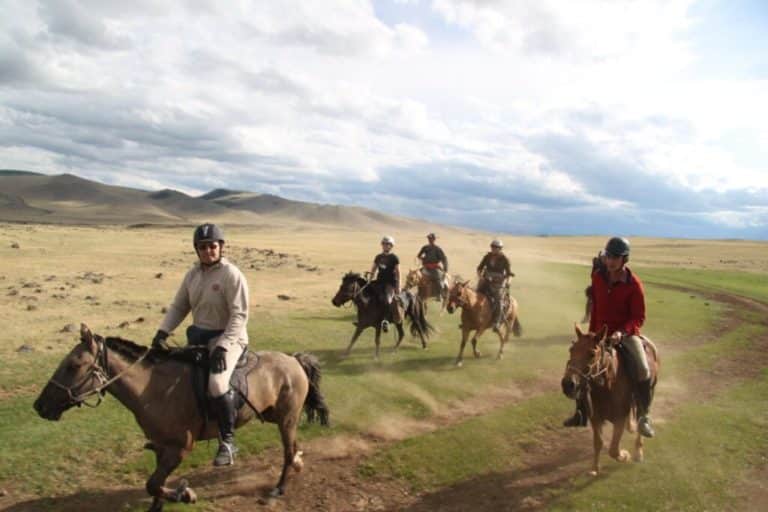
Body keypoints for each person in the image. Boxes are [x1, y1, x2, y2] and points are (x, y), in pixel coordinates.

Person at [152, 223, 250, 465]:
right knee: (176, 377)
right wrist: (163, 331)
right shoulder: (192, 275)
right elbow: (179, 306)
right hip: (199, 337)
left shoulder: (231, 275)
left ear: (221, 247)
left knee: (217, 384)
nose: (208, 251)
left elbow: (239, 315)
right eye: (203, 247)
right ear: (197, 250)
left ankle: (227, 442)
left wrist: (224, 346)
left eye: (212, 246)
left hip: (229, 337)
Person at [563, 237, 655, 438]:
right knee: (579, 364)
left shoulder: (634, 285)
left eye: (616, 257)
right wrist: (592, 333)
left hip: (625, 335)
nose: (611, 260)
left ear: (624, 259)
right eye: (609, 256)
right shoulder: (598, 277)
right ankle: (581, 412)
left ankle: (643, 416)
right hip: (598, 335)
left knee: (643, 368)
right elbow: (595, 305)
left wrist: (622, 332)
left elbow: (638, 317)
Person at [476, 239, 514, 333]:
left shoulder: (505, 259)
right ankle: (471, 319)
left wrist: (508, 282)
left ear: (500, 249)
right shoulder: (487, 257)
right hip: (485, 280)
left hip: (498, 283)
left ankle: (496, 323)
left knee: (498, 300)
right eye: (492, 247)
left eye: (496, 247)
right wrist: (480, 277)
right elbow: (479, 268)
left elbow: (509, 274)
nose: (494, 249)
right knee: (475, 295)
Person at [370, 235, 401, 332]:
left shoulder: (394, 258)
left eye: (387, 244)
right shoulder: (378, 257)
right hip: (379, 282)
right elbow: (373, 269)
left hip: (390, 283)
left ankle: (386, 320)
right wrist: (369, 279)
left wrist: (398, 286)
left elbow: (398, 272)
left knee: (387, 300)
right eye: (383, 243)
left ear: (391, 246)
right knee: (367, 295)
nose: (385, 245)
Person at [416, 233, 448, 297]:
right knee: (415, 276)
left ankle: (440, 294)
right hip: (426, 267)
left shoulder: (438, 249)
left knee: (438, 280)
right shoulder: (425, 247)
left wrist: (445, 270)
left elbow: (444, 259)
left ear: (434, 239)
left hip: (434, 268)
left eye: (431, 238)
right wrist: (423, 258)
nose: (429, 240)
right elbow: (419, 255)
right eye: (429, 238)